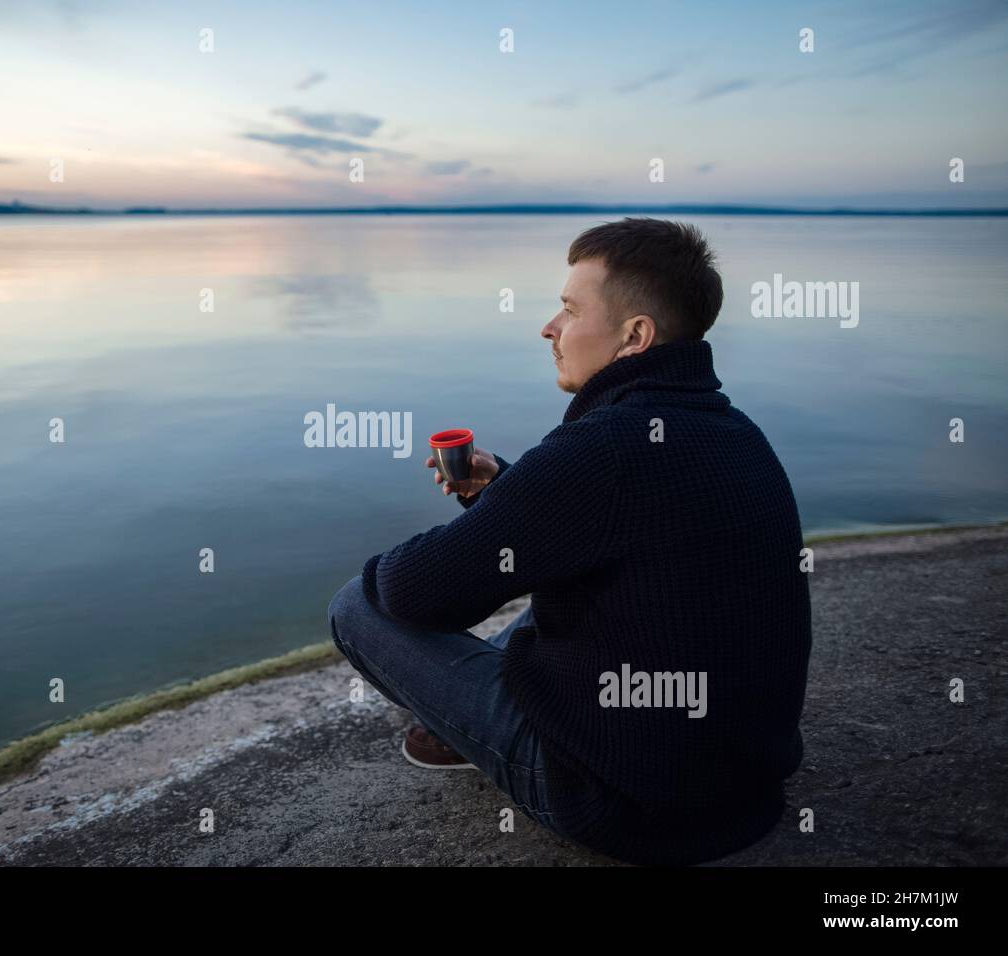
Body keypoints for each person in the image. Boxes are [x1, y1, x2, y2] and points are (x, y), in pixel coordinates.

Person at [327, 217, 812, 865]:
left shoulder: (602, 448)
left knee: (356, 604)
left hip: (622, 806)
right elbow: (607, 517)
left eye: (568, 309)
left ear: (634, 335)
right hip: (744, 794)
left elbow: (413, 595)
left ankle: (478, 735)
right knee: (591, 579)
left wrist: (480, 528)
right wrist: (507, 495)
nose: (548, 328)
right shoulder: (735, 432)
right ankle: (475, 722)